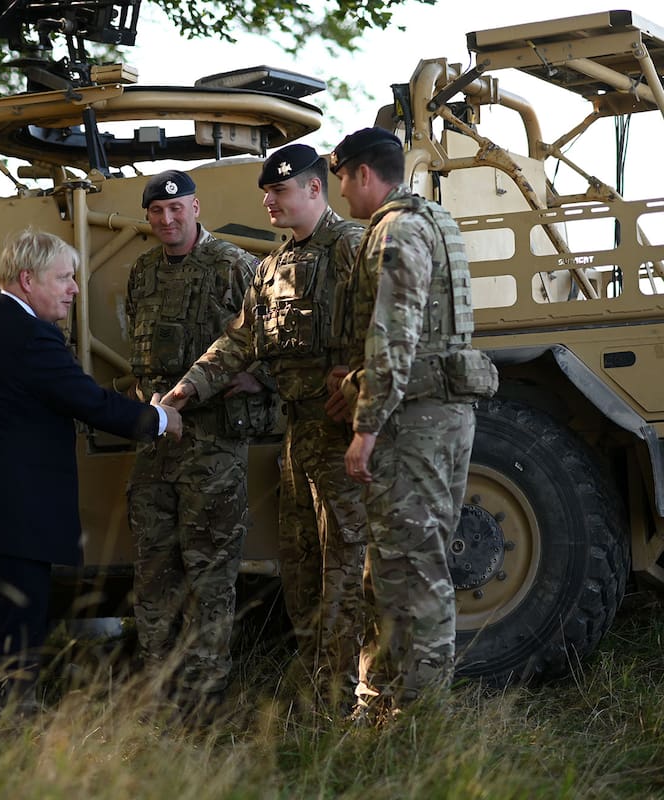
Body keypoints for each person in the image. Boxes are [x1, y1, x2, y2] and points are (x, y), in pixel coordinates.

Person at [0, 228, 182, 711]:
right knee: (17, 636)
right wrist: (159, 418)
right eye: (64, 278)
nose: (73, 289)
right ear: (27, 280)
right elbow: (89, 401)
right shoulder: (30, 336)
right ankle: (3, 732)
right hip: (17, 519)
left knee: (0, 627)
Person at [165, 144, 368, 716]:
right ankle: (318, 692)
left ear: (313, 190)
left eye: (278, 191)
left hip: (342, 437)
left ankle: (354, 696)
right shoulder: (275, 266)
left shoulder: (353, 250)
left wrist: (359, 394)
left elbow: (389, 328)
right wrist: (186, 390)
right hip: (295, 438)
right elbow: (239, 340)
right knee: (301, 568)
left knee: (347, 567)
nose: (268, 201)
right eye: (267, 192)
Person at [325, 127, 498, 719]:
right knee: (399, 566)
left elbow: (394, 337)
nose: (341, 193)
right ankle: (385, 705)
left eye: (341, 179)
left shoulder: (394, 232)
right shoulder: (434, 220)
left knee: (413, 572)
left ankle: (419, 721)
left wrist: (365, 427)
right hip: (441, 414)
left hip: (413, 422)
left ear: (364, 175)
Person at [126, 169, 264, 713]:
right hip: (156, 442)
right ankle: (157, 689)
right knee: (153, 569)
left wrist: (261, 378)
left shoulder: (235, 266)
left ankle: (207, 695)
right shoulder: (142, 272)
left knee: (211, 573)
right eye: (157, 212)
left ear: (196, 208)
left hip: (213, 445)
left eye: (176, 208)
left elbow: (272, 336)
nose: (167, 219)